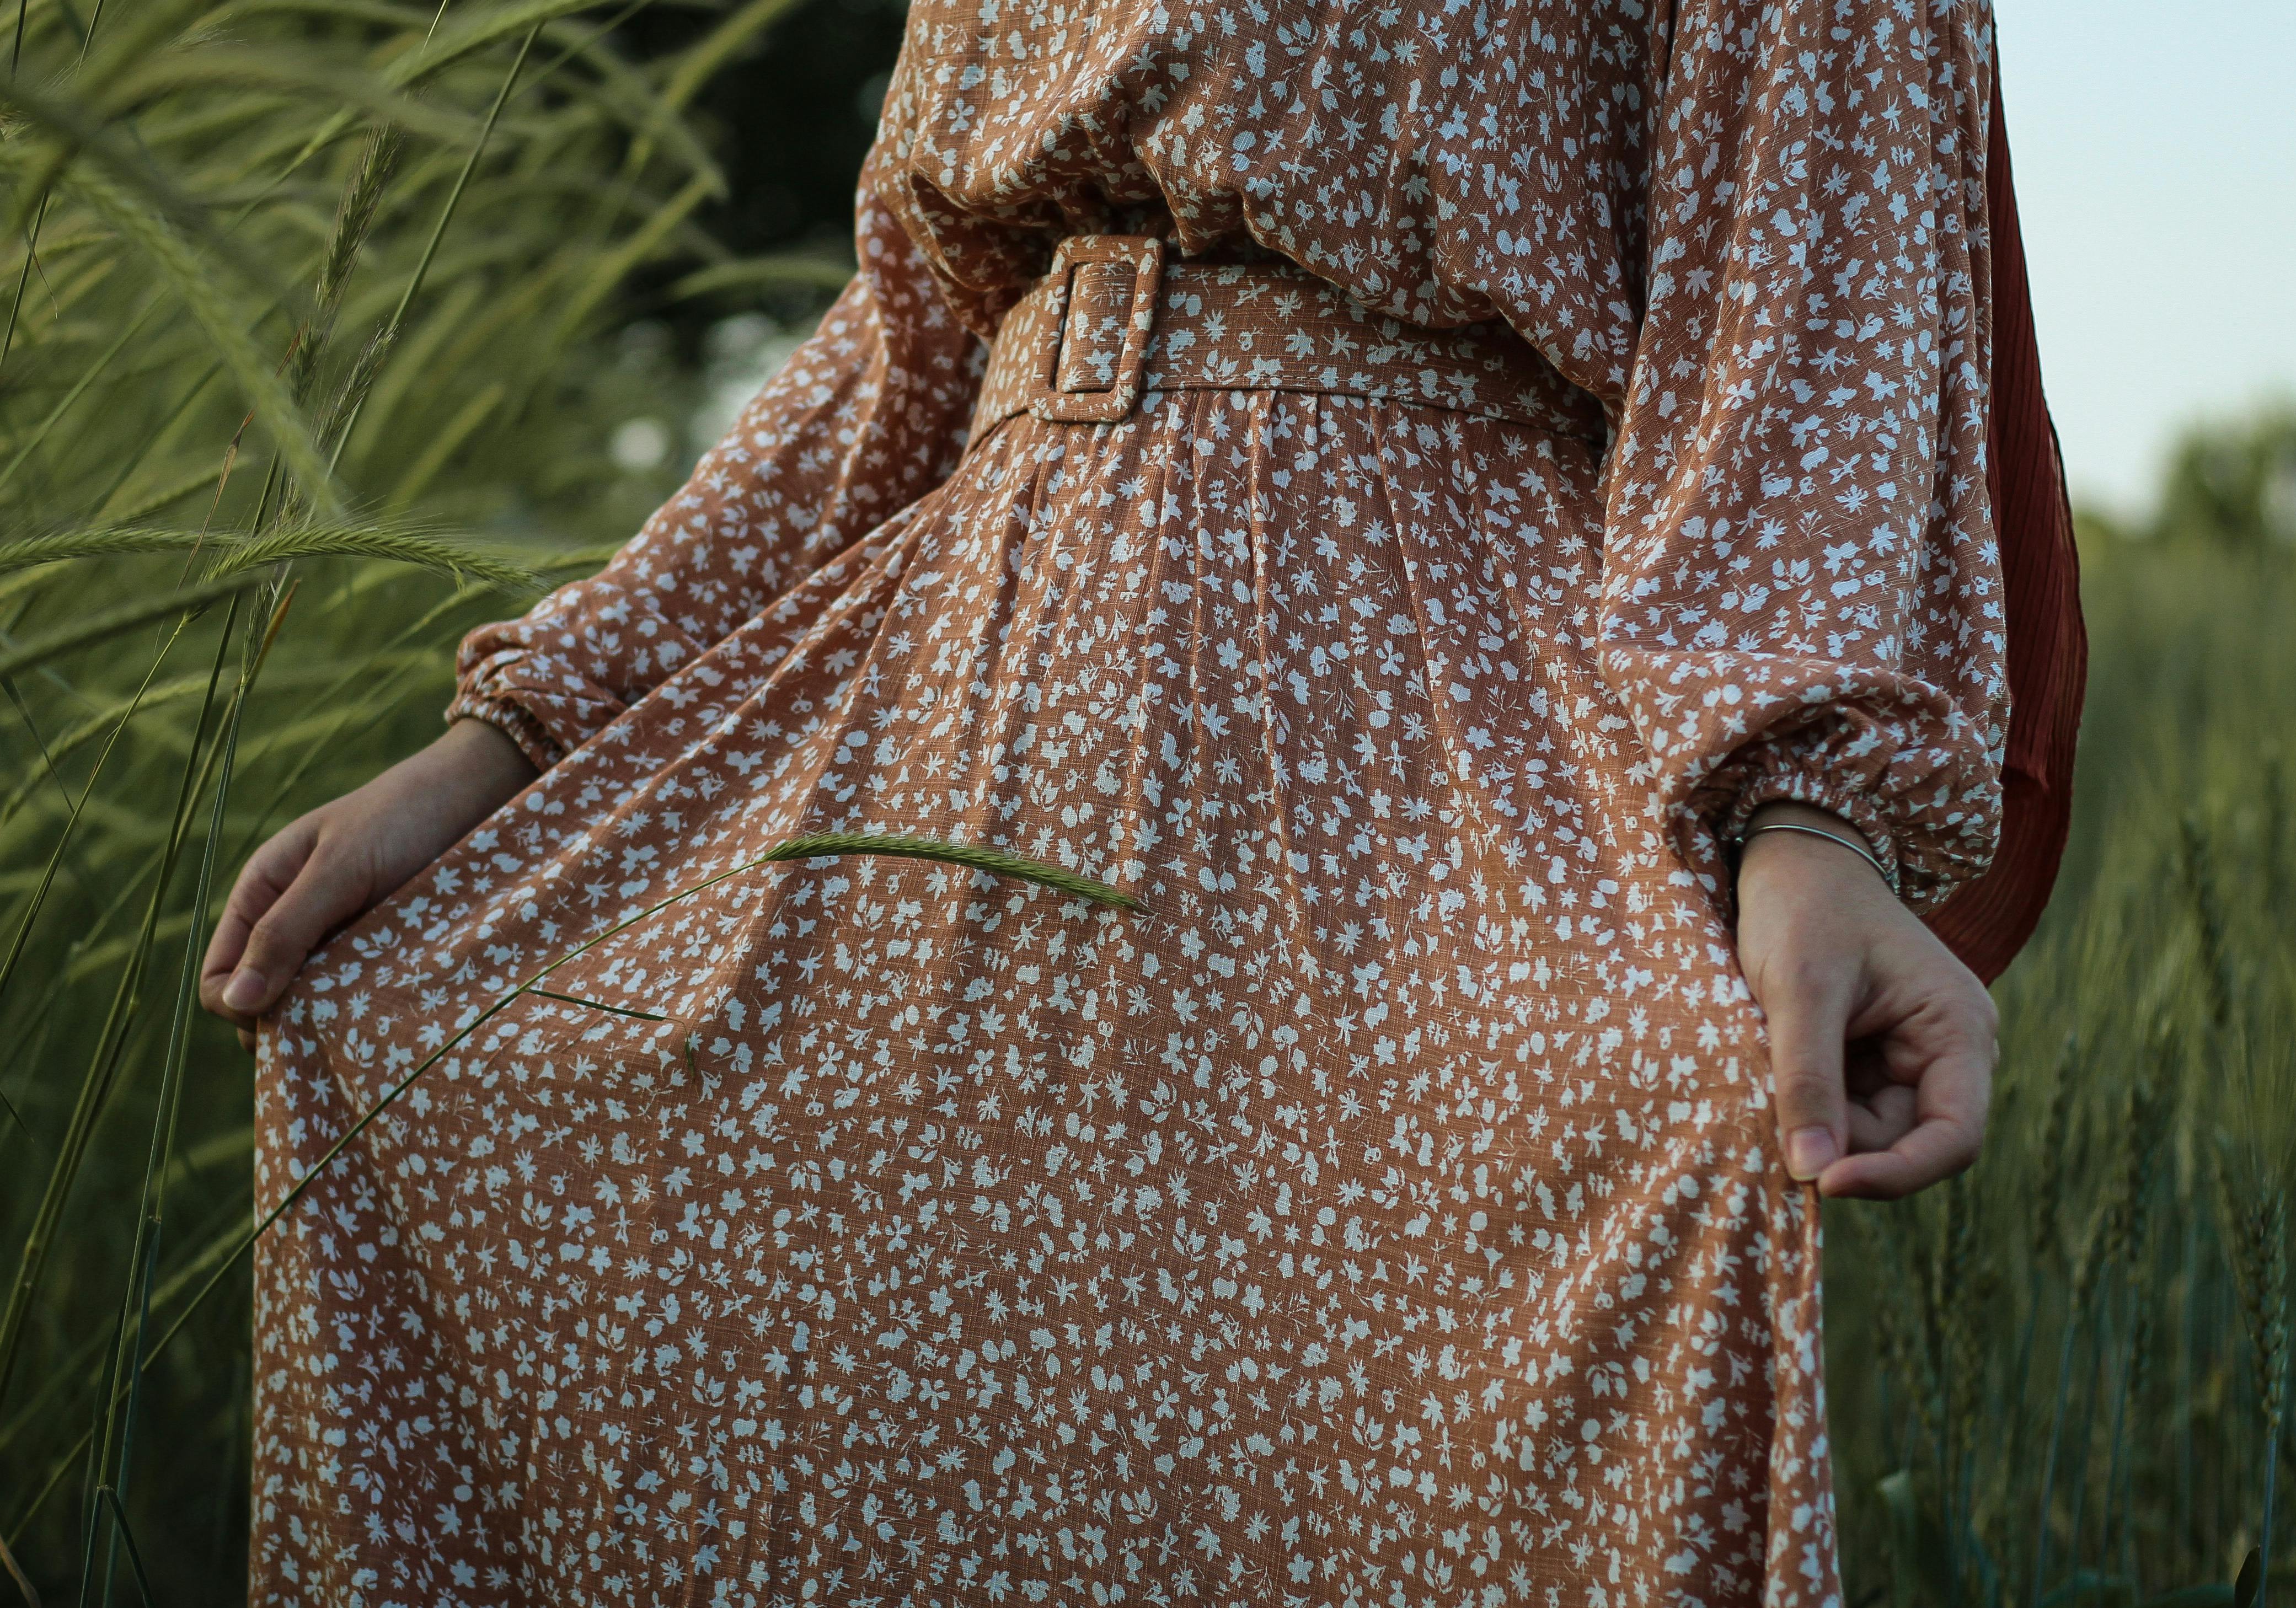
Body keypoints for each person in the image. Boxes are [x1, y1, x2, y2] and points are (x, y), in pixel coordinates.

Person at [202, 1, 2083, 1600]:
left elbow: (1817, 261)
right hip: (958, 700)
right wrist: (523, 739)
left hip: (1443, 742)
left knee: (1641, 1200)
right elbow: (908, 349)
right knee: (406, 1034)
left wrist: (1811, 816)